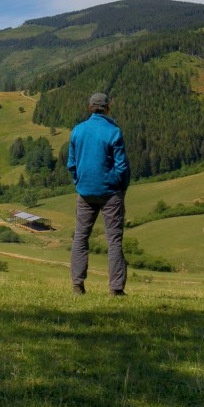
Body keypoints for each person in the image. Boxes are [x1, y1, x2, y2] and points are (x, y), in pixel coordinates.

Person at [68, 92, 130, 296]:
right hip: (110, 192)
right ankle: (116, 288)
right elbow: (121, 167)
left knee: (81, 237)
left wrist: (80, 182)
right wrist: (121, 187)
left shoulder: (77, 130)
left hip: (85, 192)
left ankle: (78, 285)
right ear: (107, 108)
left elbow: (72, 164)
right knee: (114, 240)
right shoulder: (113, 131)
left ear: (89, 108)